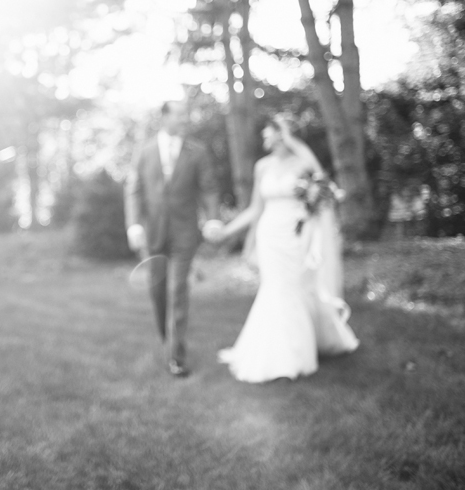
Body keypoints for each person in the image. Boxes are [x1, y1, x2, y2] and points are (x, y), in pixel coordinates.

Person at [206, 114, 358, 383]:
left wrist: (292, 140)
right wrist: (227, 231)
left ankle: (301, 350)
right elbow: (255, 209)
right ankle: (282, 354)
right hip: (270, 235)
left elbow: (321, 177)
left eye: (269, 131)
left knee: (295, 288)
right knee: (275, 289)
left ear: (281, 134)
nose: (264, 136)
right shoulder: (262, 166)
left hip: (296, 235)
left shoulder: (302, 162)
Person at [125, 100, 223, 378]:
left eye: (186, 115)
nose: (185, 120)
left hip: (184, 233)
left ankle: (176, 357)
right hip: (154, 233)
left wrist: (213, 217)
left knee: (178, 291)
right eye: (179, 115)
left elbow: (209, 188)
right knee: (157, 291)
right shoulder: (144, 152)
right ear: (164, 117)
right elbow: (133, 190)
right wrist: (133, 225)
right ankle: (166, 338)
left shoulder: (197, 152)